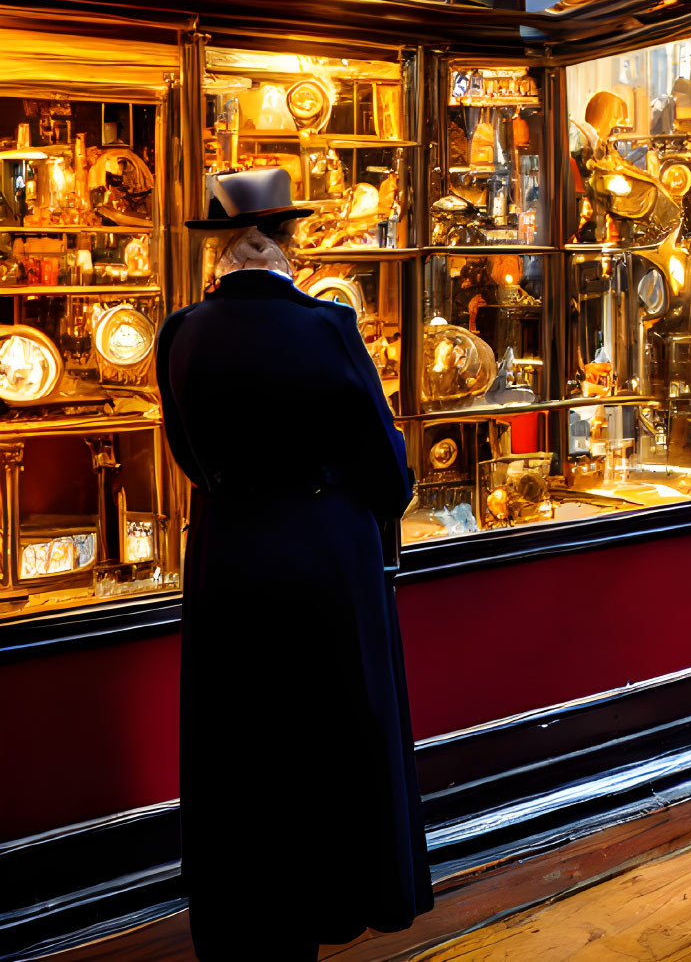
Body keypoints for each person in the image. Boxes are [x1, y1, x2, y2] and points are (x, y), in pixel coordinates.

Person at [158, 169, 433, 961]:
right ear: (291, 241)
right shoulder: (328, 326)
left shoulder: (180, 333)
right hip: (321, 557)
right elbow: (387, 472)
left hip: (226, 555)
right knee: (327, 732)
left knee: (240, 740)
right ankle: (327, 901)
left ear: (218, 247)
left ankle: (244, 915)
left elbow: (186, 454)